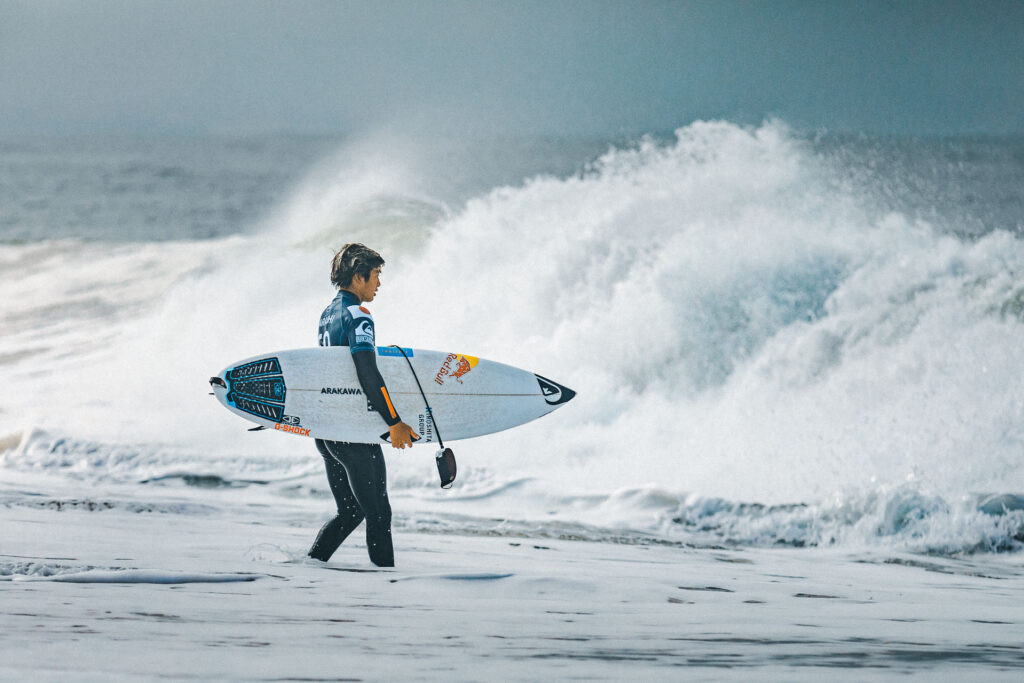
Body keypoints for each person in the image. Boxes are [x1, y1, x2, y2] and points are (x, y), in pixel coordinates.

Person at [307, 243, 418, 567]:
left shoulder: (327, 314)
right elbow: (367, 371)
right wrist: (394, 422)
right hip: (351, 431)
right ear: (359, 277)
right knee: (379, 513)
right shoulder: (358, 315)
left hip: (328, 431)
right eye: (376, 275)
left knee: (352, 511)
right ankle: (386, 590)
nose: (378, 284)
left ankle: (311, 566)